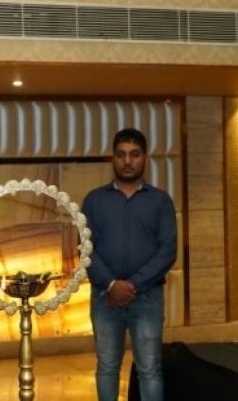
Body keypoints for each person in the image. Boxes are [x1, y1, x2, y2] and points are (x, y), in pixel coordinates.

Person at [81, 128, 177, 401]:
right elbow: (85, 250)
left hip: (147, 298)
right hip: (104, 297)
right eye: (121, 154)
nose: (127, 161)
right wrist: (111, 284)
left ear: (144, 157)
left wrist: (131, 286)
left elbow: (168, 251)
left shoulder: (160, 201)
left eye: (134, 155)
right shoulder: (94, 200)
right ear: (113, 158)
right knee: (107, 368)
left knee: (149, 370)